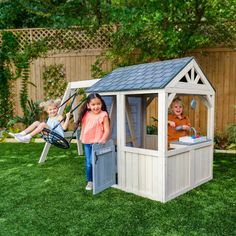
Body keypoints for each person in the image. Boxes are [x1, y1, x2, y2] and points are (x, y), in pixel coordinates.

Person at [75, 93, 110, 191]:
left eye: (98, 104)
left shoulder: (103, 115)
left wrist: (103, 139)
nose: (96, 106)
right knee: (89, 163)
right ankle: (90, 181)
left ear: (101, 104)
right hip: (87, 142)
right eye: (93, 104)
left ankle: (100, 178)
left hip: (97, 143)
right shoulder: (86, 114)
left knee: (95, 161)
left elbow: (107, 130)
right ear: (88, 105)